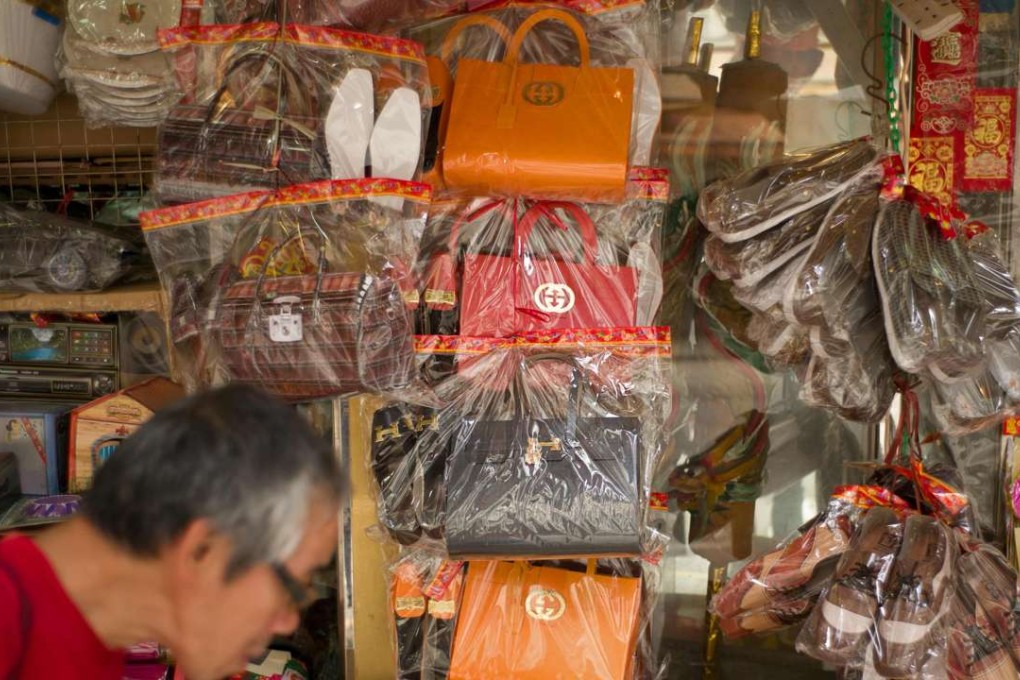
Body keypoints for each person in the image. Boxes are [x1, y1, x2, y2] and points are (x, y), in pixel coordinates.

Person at [0, 384, 344, 680]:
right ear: (202, 550)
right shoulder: (8, 616)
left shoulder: (92, 645)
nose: (286, 623)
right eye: (290, 588)